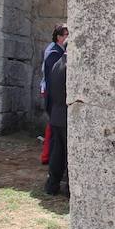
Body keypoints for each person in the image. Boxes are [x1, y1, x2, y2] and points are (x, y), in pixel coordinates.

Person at [40, 25, 68, 165]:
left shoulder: (57, 51)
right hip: (54, 97)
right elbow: (52, 79)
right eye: (65, 34)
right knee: (52, 130)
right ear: (59, 37)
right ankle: (46, 157)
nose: (67, 37)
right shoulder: (53, 53)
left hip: (56, 99)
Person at [44, 50, 70, 196]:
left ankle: (52, 185)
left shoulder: (56, 65)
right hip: (66, 115)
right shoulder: (69, 66)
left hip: (56, 114)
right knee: (68, 154)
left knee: (57, 153)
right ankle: (68, 189)